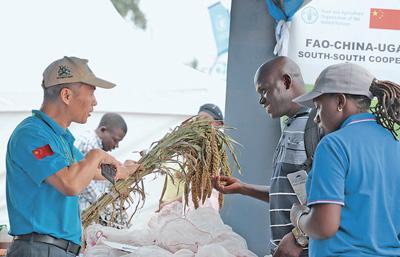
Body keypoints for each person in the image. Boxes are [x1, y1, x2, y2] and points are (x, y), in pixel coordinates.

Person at [5, 56, 140, 257]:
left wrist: (128, 170)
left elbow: (92, 172)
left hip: (59, 250)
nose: (95, 102)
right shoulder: (32, 135)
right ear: (67, 95)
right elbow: (70, 183)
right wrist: (96, 155)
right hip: (40, 250)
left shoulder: (61, 139)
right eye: (91, 93)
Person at [213, 56, 321, 257]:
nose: (261, 99)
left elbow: (330, 198)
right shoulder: (290, 126)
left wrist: (299, 238)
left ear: (286, 82)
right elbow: (290, 193)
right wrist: (243, 188)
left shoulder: (317, 126)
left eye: (264, 90)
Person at [289, 63, 400, 257]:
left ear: (340, 101)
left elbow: (324, 226)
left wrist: (298, 217)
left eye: (318, 107)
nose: (316, 118)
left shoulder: (334, 145)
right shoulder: (394, 144)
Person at [159, 103, 224, 212]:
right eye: (198, 119)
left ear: (218, 124)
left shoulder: (213, 153)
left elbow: (201, 188)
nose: (199, 123)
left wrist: (173, 202)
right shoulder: (188, 146)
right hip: (170, 206)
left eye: (205, 119)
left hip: (188, 209)